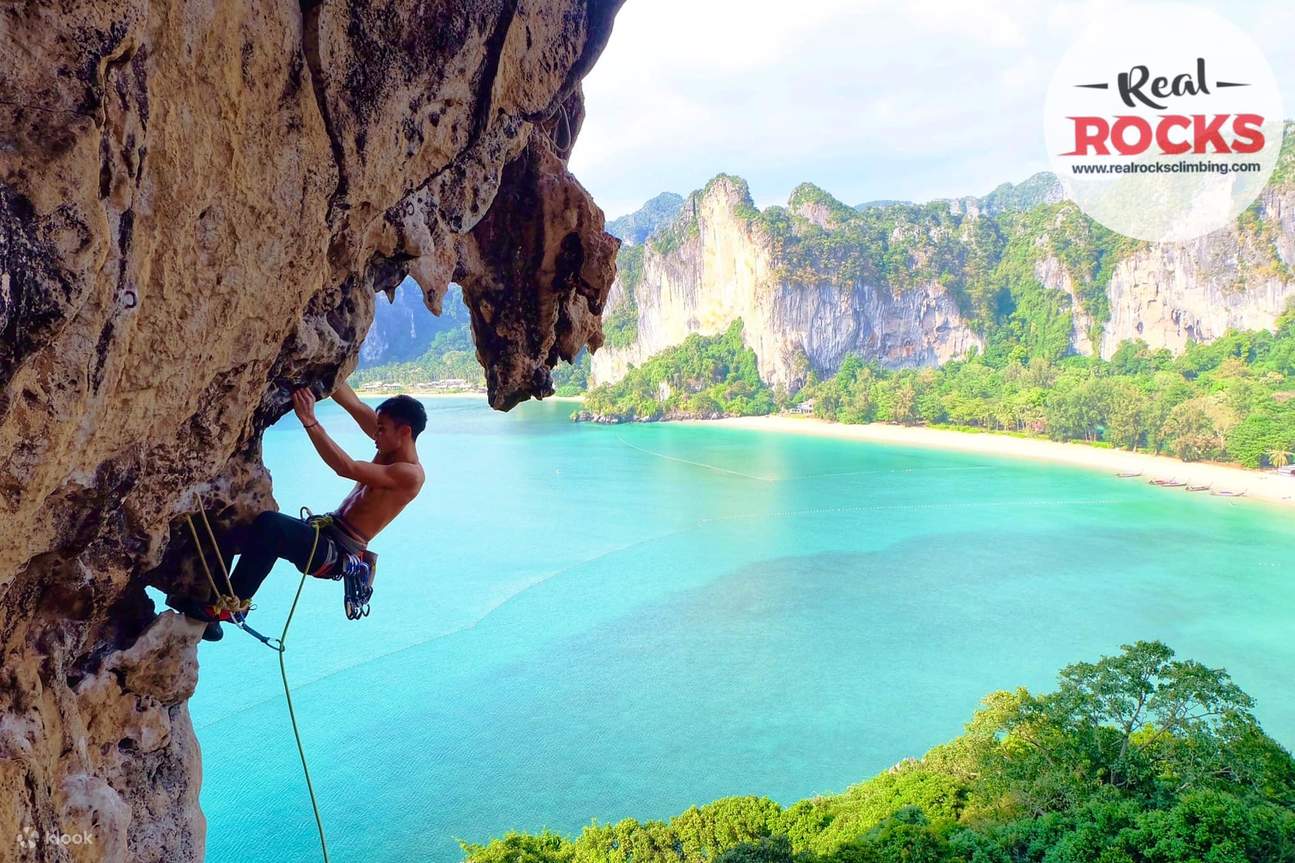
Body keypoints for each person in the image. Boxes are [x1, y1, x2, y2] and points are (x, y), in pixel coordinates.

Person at [168, 381, 427, 640]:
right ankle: (215, 606)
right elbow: (353, 404)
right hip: (327, 532)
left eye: (381, 430)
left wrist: (310, 421)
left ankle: (234, 608)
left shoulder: (409, 475)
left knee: (271, 527)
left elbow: (347, 467)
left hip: (336, 553)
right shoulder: (388, 443)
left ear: (404, 432)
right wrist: (320, 379)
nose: (375, 435)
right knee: (233, 523)